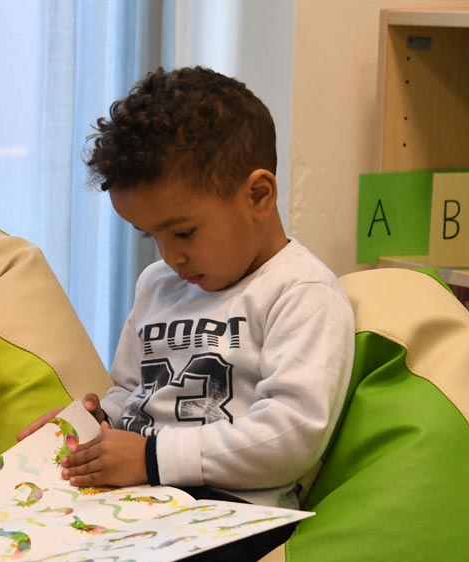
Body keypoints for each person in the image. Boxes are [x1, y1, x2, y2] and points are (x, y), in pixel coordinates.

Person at [19, 66, 354, 561]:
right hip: (138, 498)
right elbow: (132, 392)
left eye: (183, 232)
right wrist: (95, 423)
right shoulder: (158, 284)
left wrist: (151, 458)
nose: (169, 256)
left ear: (258, 195)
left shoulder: (300, 292)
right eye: (150, 235)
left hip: (231, 512)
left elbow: (290, 437)